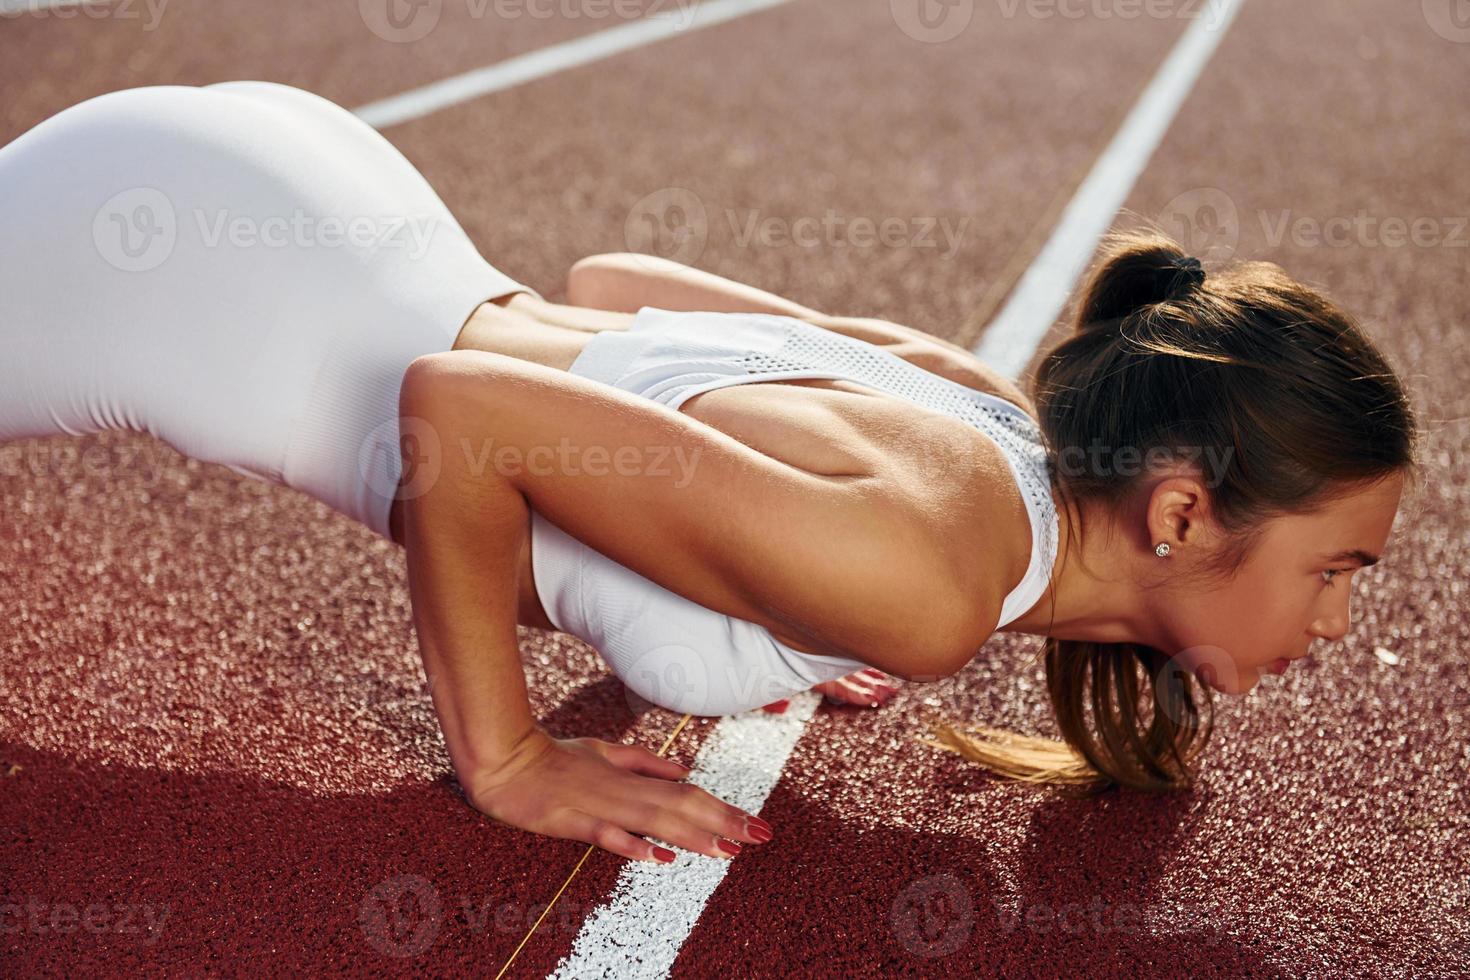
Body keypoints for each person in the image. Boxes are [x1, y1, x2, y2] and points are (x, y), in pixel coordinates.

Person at [0, 82, 1421, 866]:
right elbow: (462, 413)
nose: (1339, 624)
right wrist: (507, 762)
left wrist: (772, 569)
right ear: (1181, 511)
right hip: (182, 283)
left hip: (318, 202)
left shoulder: (986, 422)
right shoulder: (927, 585)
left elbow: (608, 288)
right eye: (1336, 570)